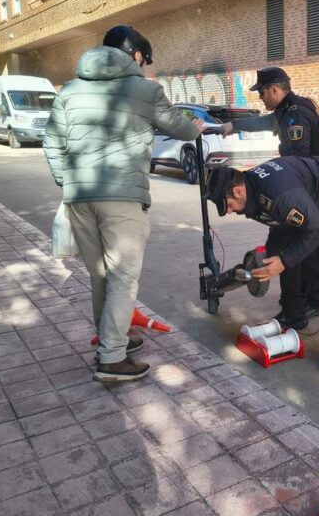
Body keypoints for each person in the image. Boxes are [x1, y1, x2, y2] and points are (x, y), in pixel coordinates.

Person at [44, 25, 202, 383]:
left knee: (101, 275)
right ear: (135, 55)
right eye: (144, 60)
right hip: (122, 197)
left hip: (78, 197)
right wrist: (200, 128)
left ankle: (112, 340)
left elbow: (51, 144)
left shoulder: (68, 91)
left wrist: (68, 182)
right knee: (123, 278)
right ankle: (112, 359)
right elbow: (183, 129)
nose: (144, 66)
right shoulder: (144, 90)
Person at [205, 156, 319, 371]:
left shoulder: (279, 195)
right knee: (281, 251)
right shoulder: (254, 189)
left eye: (228, 205)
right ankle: (294, 314)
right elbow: (278, 227)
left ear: (238, 191)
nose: (230, 211)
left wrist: (284, 261)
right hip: (310, 197)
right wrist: (273, 258)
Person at [220, 67, 319, 325]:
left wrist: (278, 187)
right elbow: (263, 122)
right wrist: (232, 126)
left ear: (275, 90)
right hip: (305, 187)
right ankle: (298, 306)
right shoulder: (286, 110)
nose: (261, 99)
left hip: (306, 190)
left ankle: (307, 305)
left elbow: (299, 162)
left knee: (298, 248)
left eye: (262, 93)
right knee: (290, 247)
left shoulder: (296, 115)